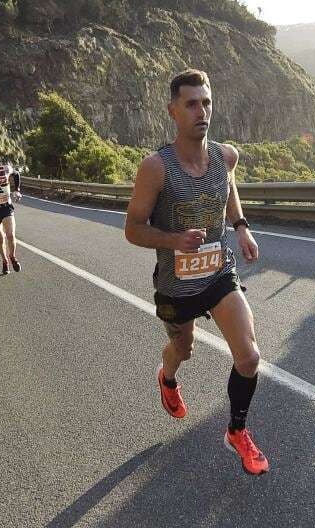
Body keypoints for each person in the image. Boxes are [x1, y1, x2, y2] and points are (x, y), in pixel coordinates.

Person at [124, 69, 268, 476]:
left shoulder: (226, 156)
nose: (201, 111)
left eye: (206, 103)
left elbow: (228, 186)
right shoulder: (156, 168)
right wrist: (174, 240)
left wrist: (241, 226)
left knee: (249, 357)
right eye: (191, 104)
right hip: (177, 286)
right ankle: (167, 377)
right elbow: (132, 229)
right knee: (183, 349)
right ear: (173, 111)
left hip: (219, 273)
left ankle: (237, 431)